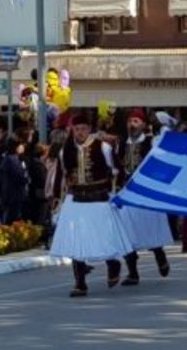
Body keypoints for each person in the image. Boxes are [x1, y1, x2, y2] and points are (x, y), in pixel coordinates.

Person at [51, 114, 134, 297]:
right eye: (76, 129)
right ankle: (80, 284)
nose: (80, 132)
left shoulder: (103, 147)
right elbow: (60, 175)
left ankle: (113, 264)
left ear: (89, 129)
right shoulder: (66, 150)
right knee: (76, 243)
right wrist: (57, 198)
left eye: (83, 129)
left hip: (99, 199)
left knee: (103, 238)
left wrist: (117, 191)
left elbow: (119, 170)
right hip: (76, 200)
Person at [114, 109, 173, 285]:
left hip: (147, 193)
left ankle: (159, 255)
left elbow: (167, 145)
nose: (132, 125)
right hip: (127, 193)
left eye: (136, 121)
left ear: (144, 125)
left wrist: (162, 124)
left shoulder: (151, 142)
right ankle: (133, 273)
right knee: (125, 234)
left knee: (149, 229)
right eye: (130, 121)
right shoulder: (120, 144)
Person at [0, 135, 30, 225]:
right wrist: (27, 178)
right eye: (21, 145)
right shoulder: (13, 160)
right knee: (12, 220)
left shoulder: (8, 159)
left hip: (9, 195)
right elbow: (21, 176)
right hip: (14, 195)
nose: (23, 147)